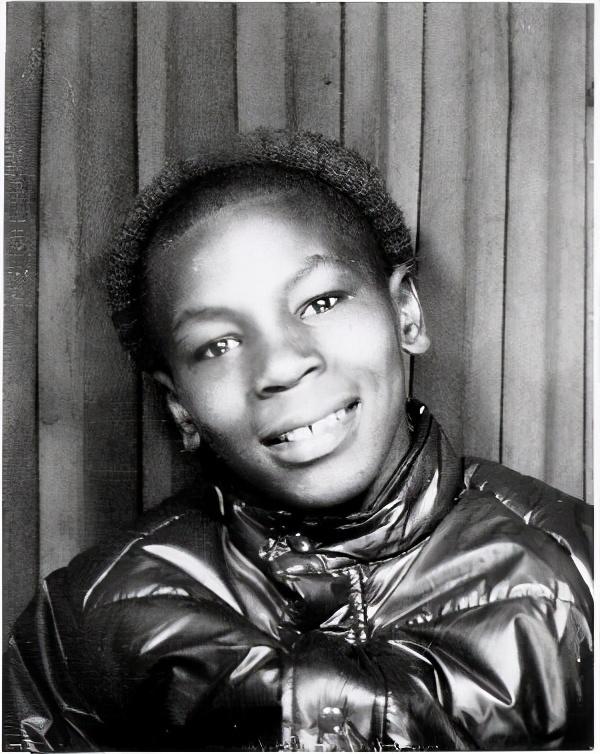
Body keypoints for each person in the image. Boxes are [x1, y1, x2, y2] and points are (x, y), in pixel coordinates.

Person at [4, 130, 593, 752]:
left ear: (406, 313)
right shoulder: (87, 619)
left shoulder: (580, 567)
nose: (282, 365)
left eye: (321, 302)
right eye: (218, 345)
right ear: (180, 406)